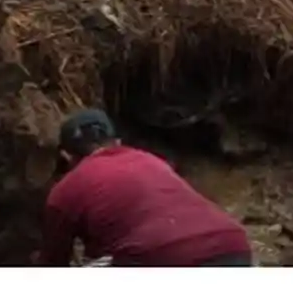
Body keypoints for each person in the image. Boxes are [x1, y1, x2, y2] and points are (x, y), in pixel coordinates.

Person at [39, 109, 254, 266]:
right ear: (118, 142)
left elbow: (53, 264)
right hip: (233, 246)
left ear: (66, 156)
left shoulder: (67, 188)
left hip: (161, 256)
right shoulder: (152, 160)